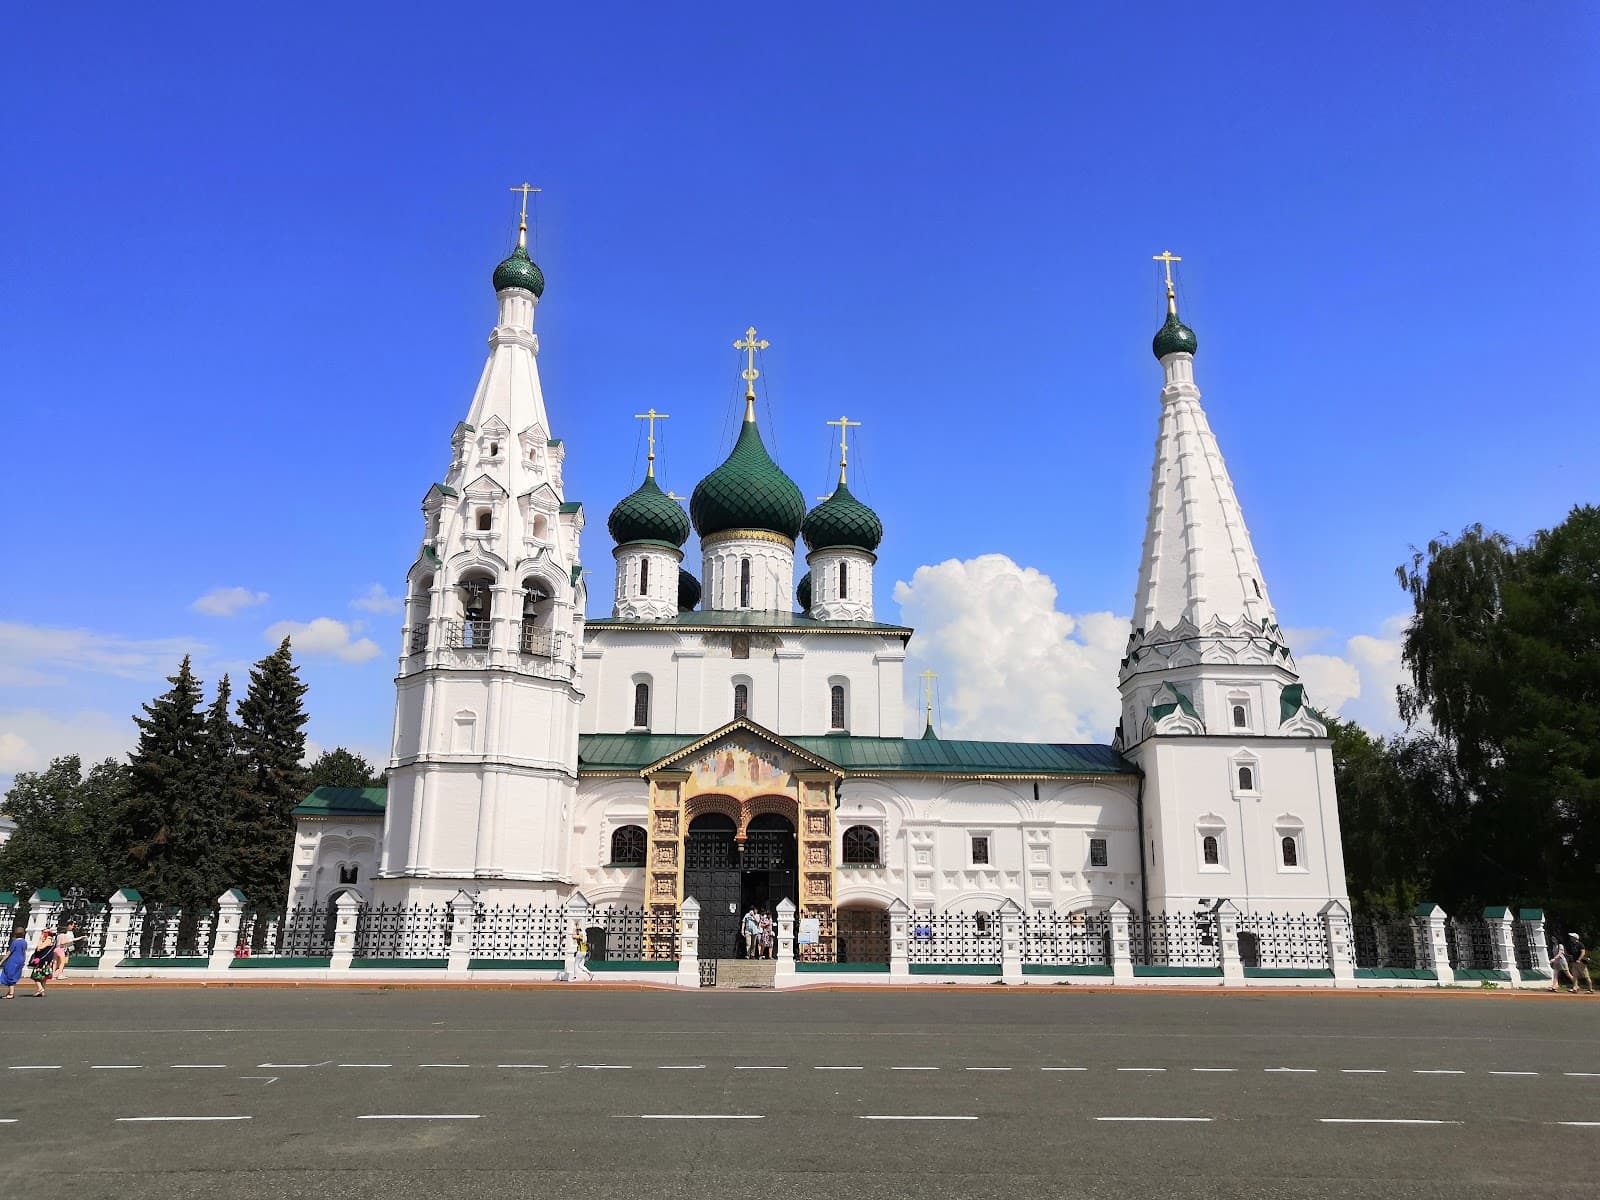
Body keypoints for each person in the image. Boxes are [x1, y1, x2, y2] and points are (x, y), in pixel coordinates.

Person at [27, 930, 56, 998]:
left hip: (42, 961)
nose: (42, 934)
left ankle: (40, 989)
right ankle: (41, 991)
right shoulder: (52, 940)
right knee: (44, 977)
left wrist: (40, 940)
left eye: (44, 932)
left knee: (36, 976)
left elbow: (39, 948)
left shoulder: (48, 940)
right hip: (47, 961)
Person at [1, 927, 26, 999]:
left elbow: (9, 952)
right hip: (20, 959)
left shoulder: (15, 942)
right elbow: (23, 952)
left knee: (9, 975)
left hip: (13, 960)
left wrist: (2, 961)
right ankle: (10, 992)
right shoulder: (24, 942)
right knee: (15, 974)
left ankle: (11, 993)